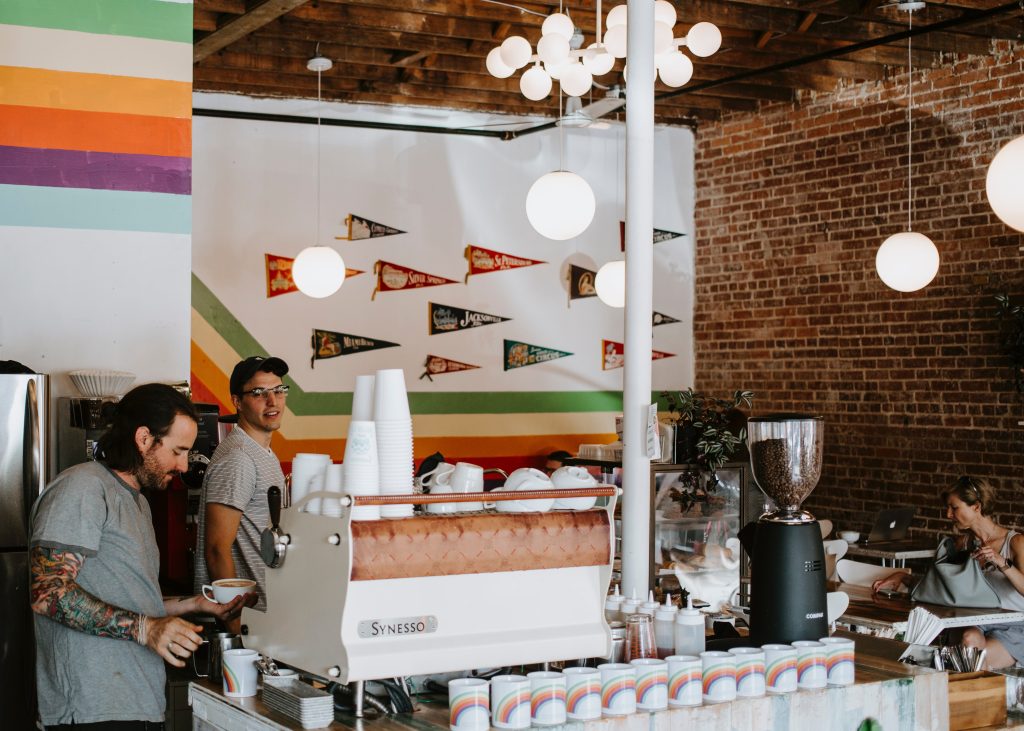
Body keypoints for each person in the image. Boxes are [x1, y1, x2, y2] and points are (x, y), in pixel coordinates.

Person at [30, 383, 252, 729]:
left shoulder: (137, 502)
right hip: (92, 709)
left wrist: (196, 604)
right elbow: (48, 593)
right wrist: (146, 629)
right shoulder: (82, 488)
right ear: (144, 438)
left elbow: (126, 597)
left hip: (137, 701)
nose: (182, 466)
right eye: (178, 451)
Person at [872, 476, 1024, 669]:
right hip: (978, 622)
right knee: (968, 640)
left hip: (1016, 625)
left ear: (976, 507)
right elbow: (941, 587)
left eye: (954, 508)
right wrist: (904, 578)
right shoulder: (964, 544)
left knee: (973, 661)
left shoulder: (1015, 542)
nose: (948, 514)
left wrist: (1001, 562)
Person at [195, 356, 289, 631]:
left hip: (262, 616)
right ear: (237, 401)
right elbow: (216, 549)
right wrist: (237, 627)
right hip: (247, 623)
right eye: (259, 393)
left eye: (278, 390)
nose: (273, 401)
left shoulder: (261, 452)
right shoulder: (238, 458)